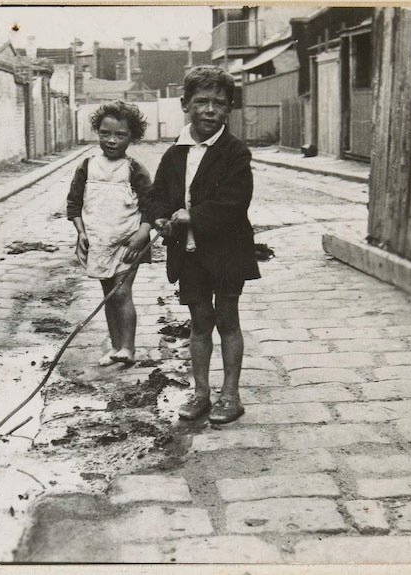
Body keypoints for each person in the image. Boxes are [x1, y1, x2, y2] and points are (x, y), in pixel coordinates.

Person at [149, 66, 260, 424]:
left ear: (230, 109)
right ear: (185, 104)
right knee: (199, 321)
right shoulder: (174, 154)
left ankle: (231, 394)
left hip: (228, 251)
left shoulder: (235, 153)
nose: (210, 110)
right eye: (202, 102)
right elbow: (157, 197)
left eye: (219, 103)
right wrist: (161, 219)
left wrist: (190, 215)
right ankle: (200, 393)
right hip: (190, 253)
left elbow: (234, 202)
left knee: (227, 319)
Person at [67, 101, 153, 366]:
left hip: (129, 242)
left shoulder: (134, 170)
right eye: (105, 133)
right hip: (99, 242)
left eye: (120, 135)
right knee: (109, 294)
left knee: (122, 293)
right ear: (98, 132)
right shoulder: (87, 166)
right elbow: (74, 203)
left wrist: (143, 233)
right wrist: (81, 233)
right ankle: (115, 346)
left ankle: (128, 347)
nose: (112, 140)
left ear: (132, 137)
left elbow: (152, 206)